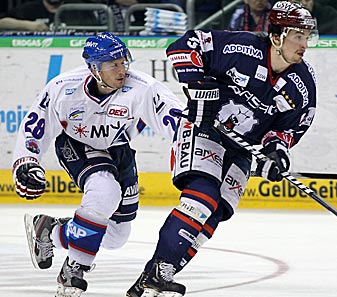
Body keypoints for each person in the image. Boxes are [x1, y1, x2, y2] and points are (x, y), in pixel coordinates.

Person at [126, 1, 318, 296]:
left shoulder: (302, 84)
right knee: (202, 199)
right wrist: (198, 85)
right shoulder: (241, 47)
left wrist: (275, 152)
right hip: (204, 131)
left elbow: (287, 130)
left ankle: (153, 277)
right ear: (277, 35)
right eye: (298, 36)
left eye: (307, 37)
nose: (304, 45)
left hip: (242, 149)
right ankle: (160, 269)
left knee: (216, 213)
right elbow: (182, 45)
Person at [14, 32, 184, 296]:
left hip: (118, 148)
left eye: (123, 61)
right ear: (94, 68)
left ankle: (51, 230)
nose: (122, 69)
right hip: (76, 144)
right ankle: (74, 268)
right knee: (105, 190)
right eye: (112, 64)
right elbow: (35, 126)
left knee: (116, 236)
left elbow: (176, 121)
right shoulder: (63, 87)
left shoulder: (142, 87)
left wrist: (196, 149)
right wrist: (26, 160)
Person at [0, 0, 99, 31]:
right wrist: (28, 25)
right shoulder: (28, 9)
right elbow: (2, 22)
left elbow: (96, 33)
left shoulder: (79, 8)